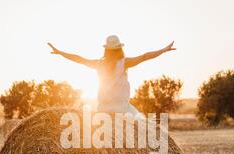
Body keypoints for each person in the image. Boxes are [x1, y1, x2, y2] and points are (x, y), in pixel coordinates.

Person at [47, 35, 176, 114]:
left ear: (106, 50)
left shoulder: (98, 63)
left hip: (103, 108)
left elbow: (79, 59)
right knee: (143, 128)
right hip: (122, 109)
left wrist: (60, 52)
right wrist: (163, 50)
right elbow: (145, 56)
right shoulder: (125, 63)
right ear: (120, 49)